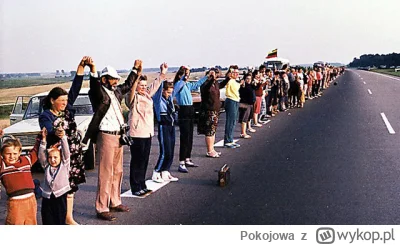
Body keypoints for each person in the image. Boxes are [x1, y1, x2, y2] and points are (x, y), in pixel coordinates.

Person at [82, 59, 142, 221]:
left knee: (118, 171)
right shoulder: (97, 92)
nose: (116, 81)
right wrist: (93, 69)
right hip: (106, 134)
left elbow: (128, 85)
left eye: (116, 79)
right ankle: (102, 207)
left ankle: (115, 201)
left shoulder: (115, 92)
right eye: (112, 79)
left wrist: (135, 69)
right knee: (106, 172)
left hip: (119, 135)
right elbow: (94, 84)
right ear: (104, 79)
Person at [39, 56, 92, 225]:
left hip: (72, 151)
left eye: (65, 101)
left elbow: (75, 88)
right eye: (60, 101)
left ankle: (68, 217)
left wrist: (81, 69)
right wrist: (58, 131)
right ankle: (60, 218)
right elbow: (48, 126)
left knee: (71, 185)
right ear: (52, 101)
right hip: (58, 155)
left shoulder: (67, 109)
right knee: (58, 186)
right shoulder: (45, 115)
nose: (64, 103)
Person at [126, 63, 167, 196]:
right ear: (136, 86)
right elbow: (131, 91)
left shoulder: (147, 95)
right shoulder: (133, 98)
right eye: (140, 85)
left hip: (147, 132)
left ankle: (142, 184)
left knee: (144, 160)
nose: (143, 87)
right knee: (137, 160)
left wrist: (162, 73)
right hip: (137, 133)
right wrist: (136, 76)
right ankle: (135, 186)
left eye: (144, 85)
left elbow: (155, 85)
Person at [0, 132, 40, 225]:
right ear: (2, 154)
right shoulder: (3, 165)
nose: (12, 156)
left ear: (19, 153)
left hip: (31, 200)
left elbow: (35, 151)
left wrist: (40, 138)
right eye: (8, 154)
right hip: (15, 202)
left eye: (14, 153)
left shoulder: (26, 160)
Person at [173, 66, 207, 173]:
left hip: (190, 109)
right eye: (186, 74)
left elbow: (196, 84)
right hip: (183, 110)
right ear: (180, 75)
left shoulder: (187, 84)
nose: (187, 76)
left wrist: (206, 77)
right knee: (184, 136)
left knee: (190, 136)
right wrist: (184, 76)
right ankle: (181, 162)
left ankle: (187, 158)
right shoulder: (179, 84)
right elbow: (178, 86)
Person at [38, 128, 71, 225]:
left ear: (60, 157)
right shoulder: (46, 166)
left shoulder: (64, 165)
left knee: (60, 220)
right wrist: (43, 140)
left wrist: (63, 137)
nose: (53, 160)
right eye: (50, 157)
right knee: (47, 219)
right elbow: (41, 155)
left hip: (60, 197)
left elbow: (66, 152)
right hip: (47, 198)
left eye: (55, 157)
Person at [152, 80, 179, 182]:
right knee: (165, 151)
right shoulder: (158, 100)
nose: (169, 94)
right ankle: (156, 172)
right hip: (163, 127)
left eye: (171, 93)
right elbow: (158, 91)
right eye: (168, 92)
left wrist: (184, 75)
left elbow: (177, 85)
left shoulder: (169, 99)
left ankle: (165, 171)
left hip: (171, 126)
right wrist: (162, 77)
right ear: (163, 90)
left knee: (171, 150)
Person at [197, 68, 222, 158]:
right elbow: (207, 88)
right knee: (209, 131)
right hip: (208, 111)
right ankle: (209, 150)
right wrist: (211, 78)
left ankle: (212, 149)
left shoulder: (215, 84)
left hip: (215, 110)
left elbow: (222, 84)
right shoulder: (205, 84)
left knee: (213, 131)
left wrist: (228, 78)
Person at [222, 65, 243, 148]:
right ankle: (227, 141)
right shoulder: (230, 81)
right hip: (231, 100)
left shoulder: (234, 81)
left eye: (238, 73)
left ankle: (230, 139)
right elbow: (234, 89)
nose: (237, 74)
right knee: (230, 122)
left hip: (235, 100)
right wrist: (240, 84)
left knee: (233, 121)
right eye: (235, 73)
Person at [238, 73, 256, 139]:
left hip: (250, 104)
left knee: (248, 118)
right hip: (245, 104)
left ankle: (246, 130)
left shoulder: (251, 85)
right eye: (247, 79)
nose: (248, 80)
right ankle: (243, 133)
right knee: (244, 119)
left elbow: (256, 88)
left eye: (250, 79)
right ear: (244, 79)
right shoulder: (243, 86)